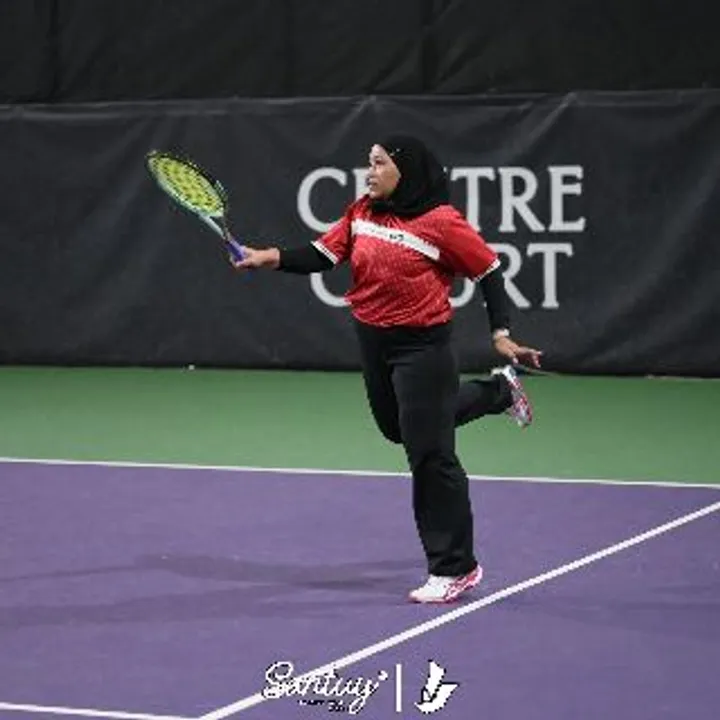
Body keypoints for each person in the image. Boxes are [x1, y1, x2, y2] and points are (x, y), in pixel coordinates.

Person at [231, 135, 542, 604]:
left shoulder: (441, 223)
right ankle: (499, 393)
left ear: (405, 170)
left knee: (430, 454)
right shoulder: (363, 212)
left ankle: (455, 567)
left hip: (422, 348)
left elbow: (489, 271)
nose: (370, 172)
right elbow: (323, 253)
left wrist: (501, 333)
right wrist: (267, 257)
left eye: (378, 164)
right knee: (397, 429)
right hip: (373, 341)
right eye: (368, 163)